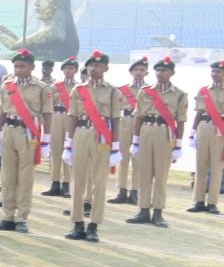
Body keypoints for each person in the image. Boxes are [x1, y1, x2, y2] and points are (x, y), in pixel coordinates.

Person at [0, 49, 52, 233]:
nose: (18, 70)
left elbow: (48, 115)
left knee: (25, 178)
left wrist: (45, 142)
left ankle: (21, 218)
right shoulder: (7, 85)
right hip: (9, 130)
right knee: (8, 176)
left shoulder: (42, 88)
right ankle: (8, 216)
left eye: (22, 66)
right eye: (16, 66)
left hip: (29, 134)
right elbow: (2, 112)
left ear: (32, 67)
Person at [125, 57, 187, 228]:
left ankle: (158, 212)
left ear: (172, 73)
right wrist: (135, 141)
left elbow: (180, 121)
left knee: (160, 175)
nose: (160, 73)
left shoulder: (180, 94)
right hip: (146, 130)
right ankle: (143, 210)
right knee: (144, 173)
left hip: (165, 133)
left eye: (164, 70)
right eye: (158, 70)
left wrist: (178, 145)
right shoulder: (145, 91)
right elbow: (138, 117)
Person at [66, 51, 120, 243]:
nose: (93, 69)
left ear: (105, 68)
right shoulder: (77, 90)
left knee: (99, 182)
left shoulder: (113, 91)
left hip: (102, 137)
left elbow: (115, 120)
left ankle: (93, 226)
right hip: (80, 133)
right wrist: (68, 143)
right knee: (78, 180)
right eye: (90, 65)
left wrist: (116, 147)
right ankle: (77, 223)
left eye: (97, 66)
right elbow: (72, 117)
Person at [110, 57, 150, 206]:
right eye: (136, 70)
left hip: (143, 123)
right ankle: (121, 190)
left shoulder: (150, 90)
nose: (138, 72)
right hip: (125, 122)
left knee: (138, 159)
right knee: (123, 157)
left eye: (141, 70)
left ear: (146, 72)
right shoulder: (121, 90)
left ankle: (135, 191)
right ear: (131, 72)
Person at [188, 61, 224, 214]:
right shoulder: (203, 91)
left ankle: (212, 203)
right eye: (213, 71)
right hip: (203, 126)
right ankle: (199, 201)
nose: (215, 74)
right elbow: (198, 112)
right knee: (200, 165)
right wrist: (192, 132)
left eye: (218, 72)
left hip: (220, 130)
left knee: (216, 167)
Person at [42, 57, 78, 197]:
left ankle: (67, 184)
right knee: (55, 151)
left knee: (69, 150)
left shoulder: (79, 87)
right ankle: (55, 183)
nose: (68, 70)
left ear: (75, 70)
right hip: (56, 116)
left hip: (71, 118)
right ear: (62, 70)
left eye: (71, 68)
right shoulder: (54, 86)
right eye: (66, 68)